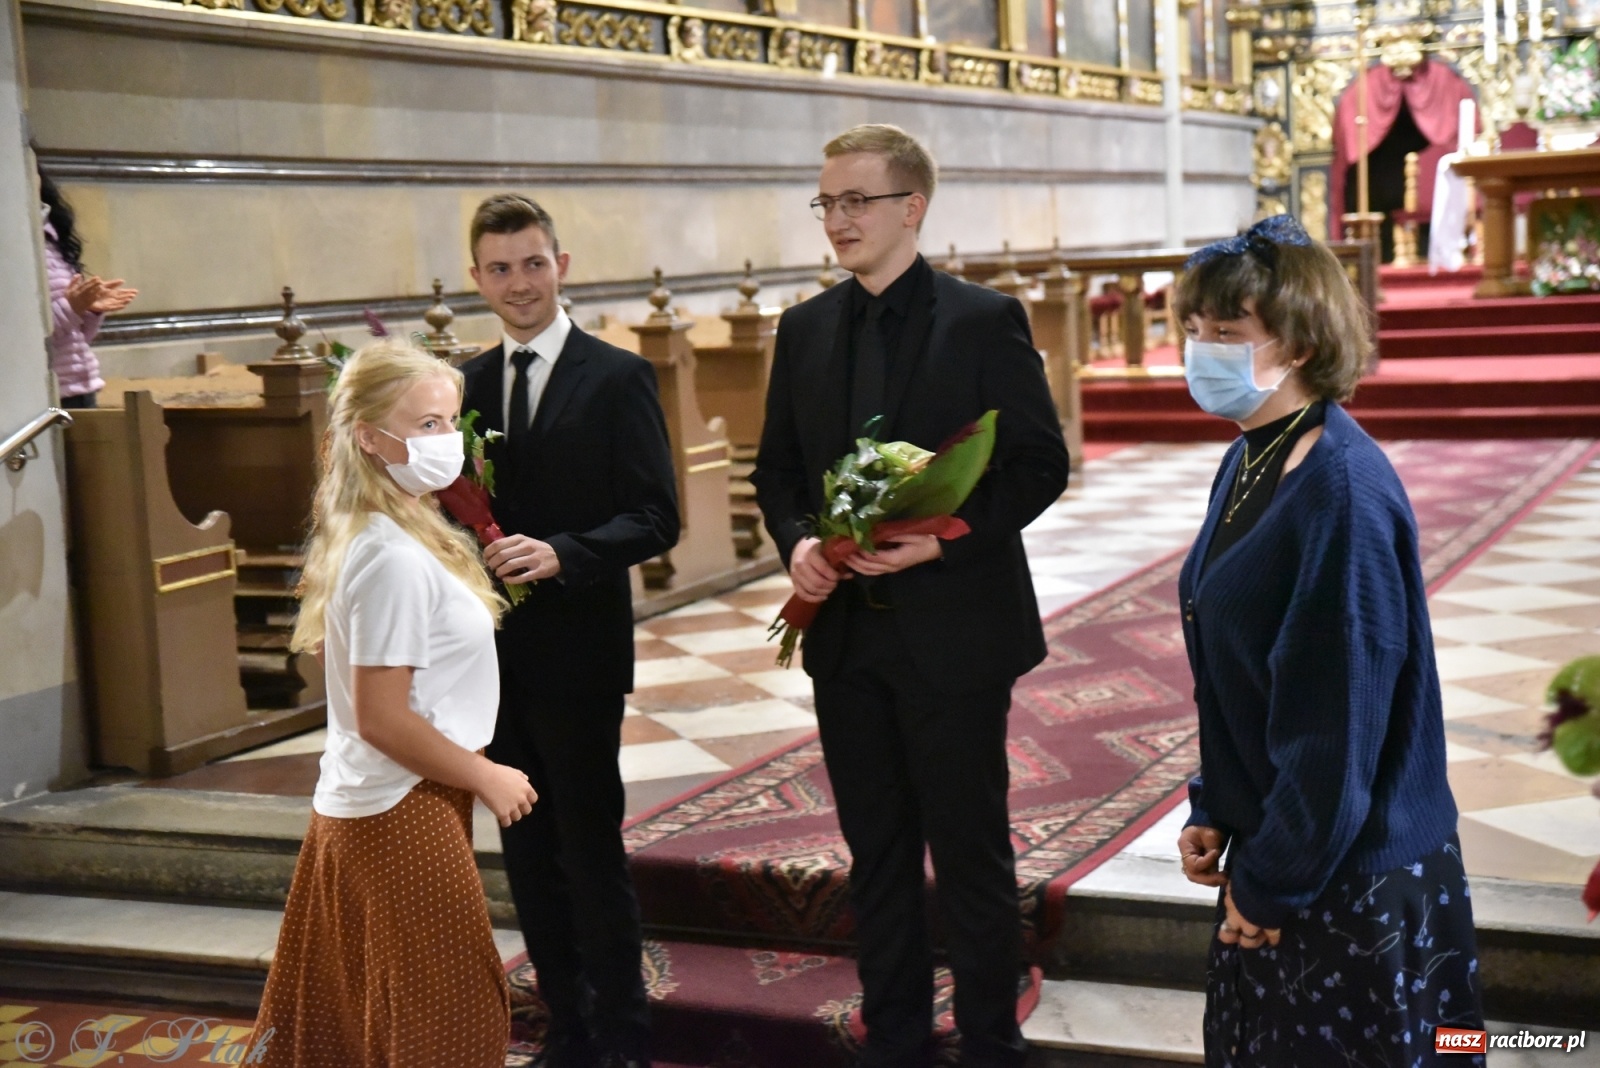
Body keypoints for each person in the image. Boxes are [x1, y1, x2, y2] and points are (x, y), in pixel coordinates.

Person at [751, 125, 1071, 1068]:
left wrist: (943, 540)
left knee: (969, 855)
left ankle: (987, 1040)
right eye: (827, 203)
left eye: (856, 201)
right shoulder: (804, 328)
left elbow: (1037, 467)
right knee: (876, 853)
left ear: (911, 209)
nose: (837, 220)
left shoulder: (983, 320)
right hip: (848, 640)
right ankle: (892, 1036)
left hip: (956, 635)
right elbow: (776, 473)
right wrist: (799, 543)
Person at [1173, 215, 1486, 1066]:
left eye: (1228, 333)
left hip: (1349, 879)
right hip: (1287, 847)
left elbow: (1334, 725)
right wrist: (1217, 803)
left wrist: (1270, 881)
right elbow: (1245, 670)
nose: (1201, 351)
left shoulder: (1339, 493)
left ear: (1302, 343)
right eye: (1193, 330)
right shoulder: (1255, 456)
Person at [253, 340, 538, 1067]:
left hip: (397, 799)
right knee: (449, 1020)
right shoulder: (390, 557)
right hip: (398, 804)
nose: (448, 443)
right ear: (369, 438)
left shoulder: (403, 531)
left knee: (381, 1018)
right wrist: (487, 775)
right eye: (427, 426)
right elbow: (381, 716)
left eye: (449, 422)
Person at [460, 194, 680, 1068]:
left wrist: (564, 553)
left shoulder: (617, 375)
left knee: (589, 851)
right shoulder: (462, 387)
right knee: (526, 853)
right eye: (501, 268)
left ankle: (622, 1034)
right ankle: (569, 1029)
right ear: (478, 279)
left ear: (563, 265)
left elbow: (659, 517)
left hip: (582, 652)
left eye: (534, 262)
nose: (520, 282)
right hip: (492, 659)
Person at [38, 169, 136, 409]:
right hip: (47, 394)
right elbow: (22, 335)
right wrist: (71, 308)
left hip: (78, 385)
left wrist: (88, 309)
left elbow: (76, 337)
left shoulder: (50, 240)